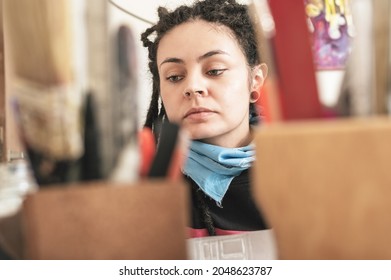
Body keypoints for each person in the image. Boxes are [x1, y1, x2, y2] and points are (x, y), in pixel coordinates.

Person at [141, 0, 269, 237]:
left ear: (255, 80)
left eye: (214, 71)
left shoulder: (299, 170)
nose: (192, 87)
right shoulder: (146, 183)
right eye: (175, 77)